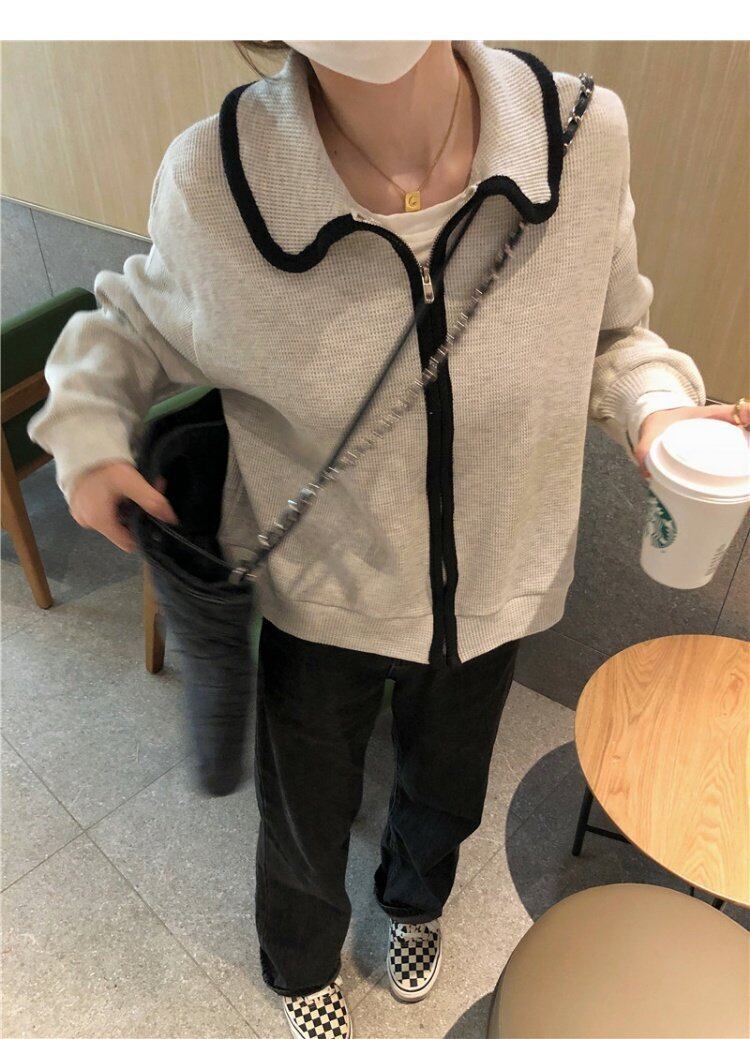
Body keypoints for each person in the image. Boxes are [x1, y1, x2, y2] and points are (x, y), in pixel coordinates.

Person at [26, 40, 747, 1039]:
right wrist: (85, 433)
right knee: (305, 816)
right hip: (321, 596)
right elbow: (130, 321)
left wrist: (659, 409)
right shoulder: (217, 181)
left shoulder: (580, 136)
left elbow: (618, 334)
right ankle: (299, 964)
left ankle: (414, 903)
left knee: (445, 788)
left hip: (499, 579)